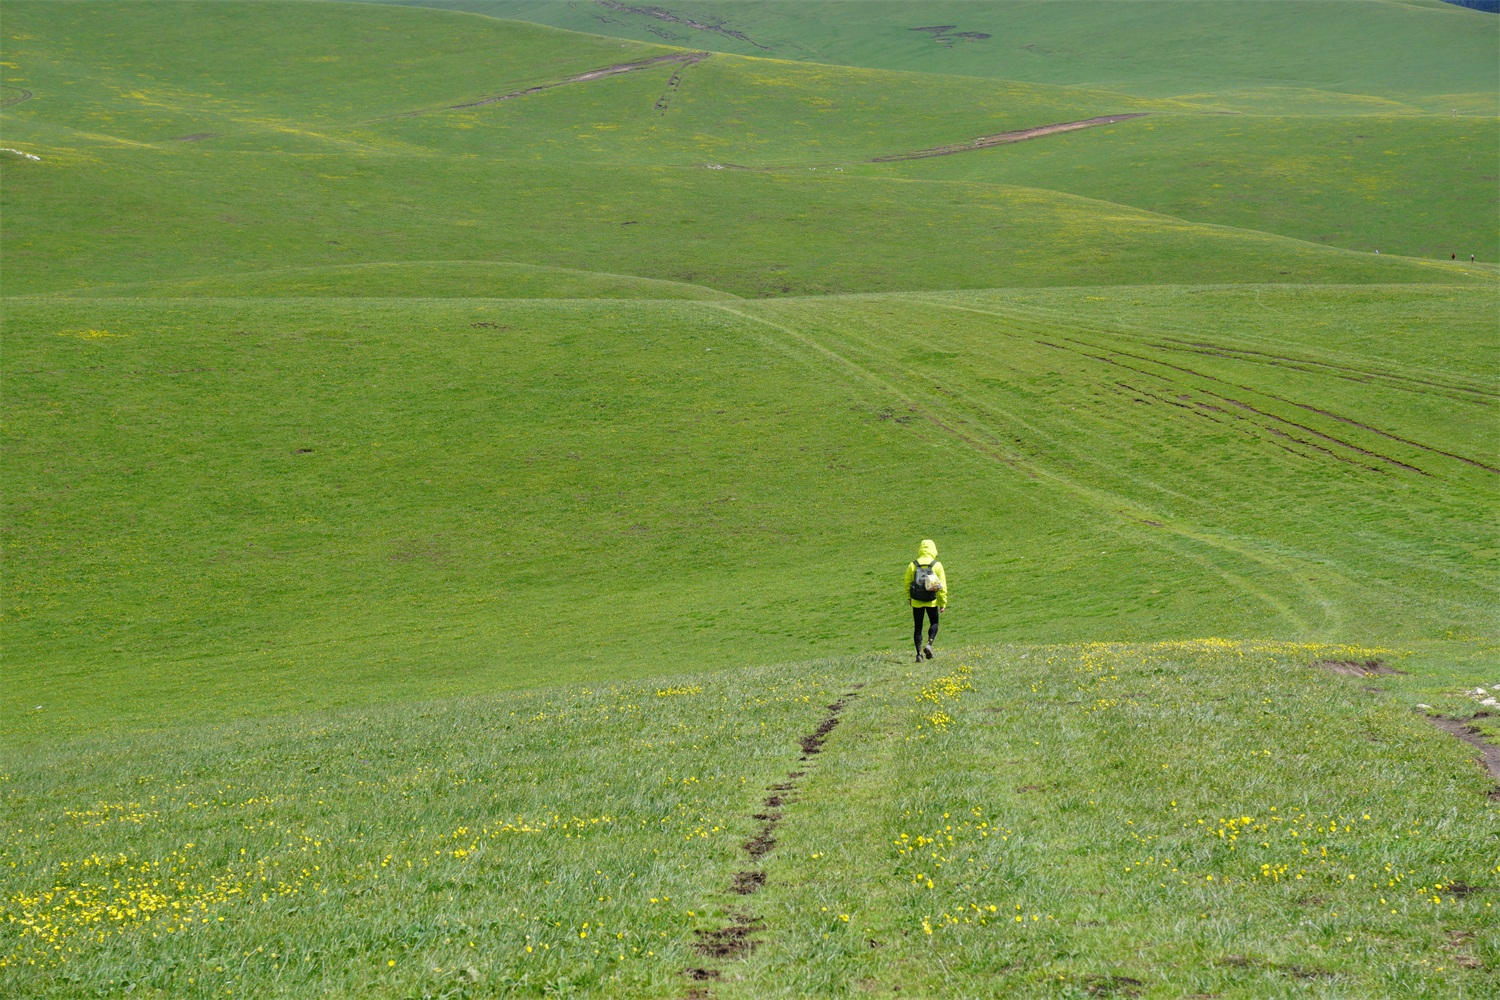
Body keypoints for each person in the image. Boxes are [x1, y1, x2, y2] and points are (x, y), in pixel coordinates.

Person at [904, 539, 948, 662]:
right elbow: (942, 586)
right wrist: (943, 602)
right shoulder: (937, 565)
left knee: (918, 627)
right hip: (931, 600)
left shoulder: (913, 565)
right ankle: (929, 644)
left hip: (917, 600)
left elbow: (907, 583)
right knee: (934, 623)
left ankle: (918, 654)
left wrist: (910, 597)